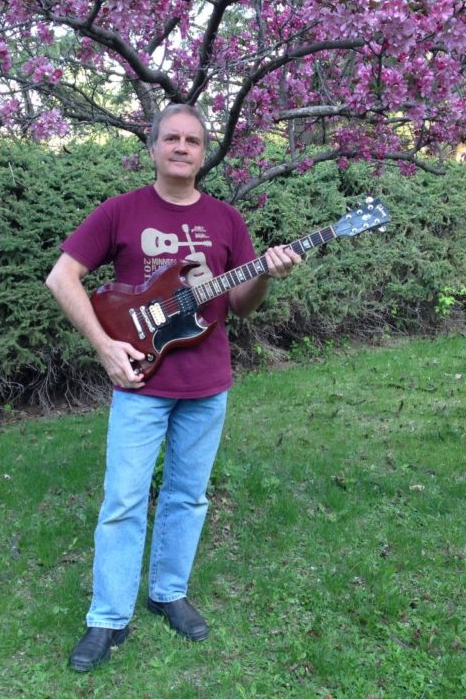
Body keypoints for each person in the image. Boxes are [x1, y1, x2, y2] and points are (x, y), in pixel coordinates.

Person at [45, 104, 301, 672]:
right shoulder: (121, 211)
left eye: (193, 140)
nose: (182, 147)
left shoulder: (227, 220)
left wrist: (263, 273)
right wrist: (104, 345)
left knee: (188, 495)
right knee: (124, 501)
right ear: (154, 147)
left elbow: (240, 305)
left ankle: (167, 592)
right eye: (171, 139)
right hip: (140, 380)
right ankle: (107, 619)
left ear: (203, 152)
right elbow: (62, 276)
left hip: (207, 382)